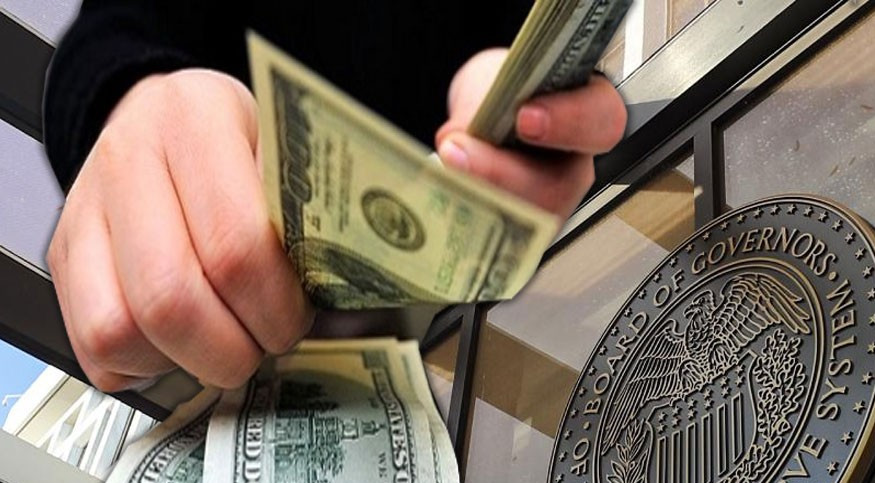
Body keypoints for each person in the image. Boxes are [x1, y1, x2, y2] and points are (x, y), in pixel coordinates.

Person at [43, 1, 627, 392]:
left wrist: (515, 87)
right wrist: (133, 101)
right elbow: (111, 34)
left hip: (539, 285)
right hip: (279, 346)